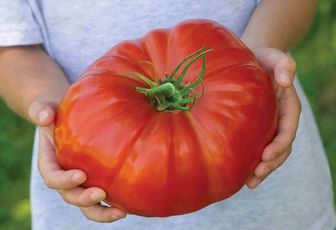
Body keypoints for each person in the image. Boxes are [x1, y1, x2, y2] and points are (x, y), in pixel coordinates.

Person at [0, 0, 335, 229]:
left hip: (273, 195)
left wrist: (256, 58)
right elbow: (11, 45)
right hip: (88, 181)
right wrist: (54, 111)